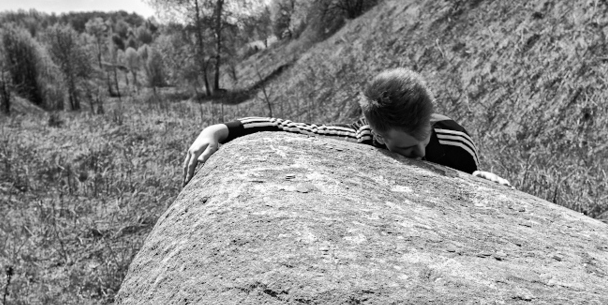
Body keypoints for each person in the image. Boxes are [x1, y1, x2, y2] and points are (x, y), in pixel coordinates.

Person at [181, 67, 511, 187]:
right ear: (380, 136)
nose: (421, 152)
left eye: (423, 137)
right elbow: (293, 127)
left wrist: (487, 182)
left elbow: (475, 183)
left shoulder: (456, 142)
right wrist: (219, 129)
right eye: (407, 149)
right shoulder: (361, 137)